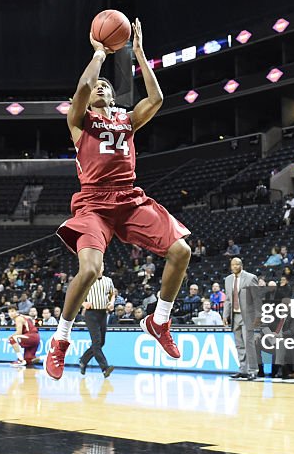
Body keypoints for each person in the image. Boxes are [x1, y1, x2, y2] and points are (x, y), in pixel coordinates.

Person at [50, 20, 191, 379]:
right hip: (93, 204)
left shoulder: (126, 121)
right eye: (96, 87)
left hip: (128, 199)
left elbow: (156, 100)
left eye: (105, 87)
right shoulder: (79, 121)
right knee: (92, 270)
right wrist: (99, 54)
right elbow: (82, 86)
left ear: (113, 97)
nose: (98, 88)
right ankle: (61, 340)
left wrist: (140, 54)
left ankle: (159, 321)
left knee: (181, 251)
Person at [224, 257, 262, 380]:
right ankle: (243, 369)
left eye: (237, 264)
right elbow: (228, 299)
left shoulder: (251, 278)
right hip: (235, 316)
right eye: (232, 265)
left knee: (248, 343)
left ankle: (252, 370)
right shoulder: (228, 279)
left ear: (241, 265)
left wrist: (258, 315)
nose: (234, 266)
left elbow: (257, 299)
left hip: (248, 316)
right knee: (239, 344)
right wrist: (225, 315)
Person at [79, 272, 116, 377]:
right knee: (97, 341)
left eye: (102, 266)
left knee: (101, 342)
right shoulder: (87, 280)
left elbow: (112, 294)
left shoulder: (108, 280)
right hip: (91, 314)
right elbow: (77, 294)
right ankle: (105, 368)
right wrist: (83, 303)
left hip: (103, 313)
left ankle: (83, 360)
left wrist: (112, 303)